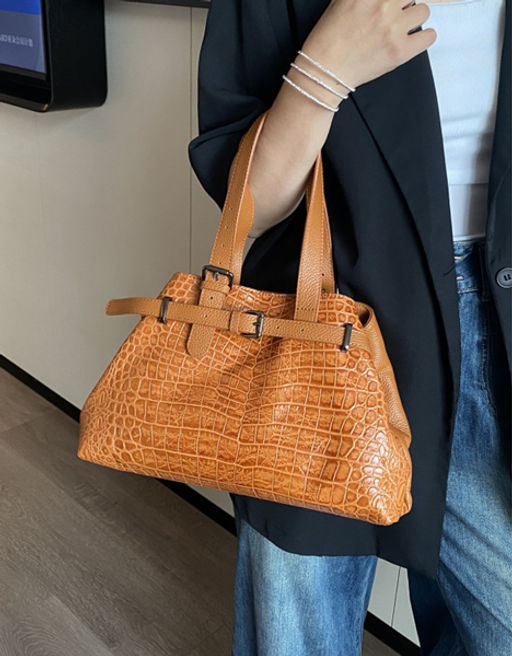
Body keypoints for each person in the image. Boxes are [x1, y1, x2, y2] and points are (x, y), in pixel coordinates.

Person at [188, 0, 511, 653]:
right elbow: (246, 207)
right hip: (321, 327)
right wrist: (325, 66)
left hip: (497, 329)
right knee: (297, 632)